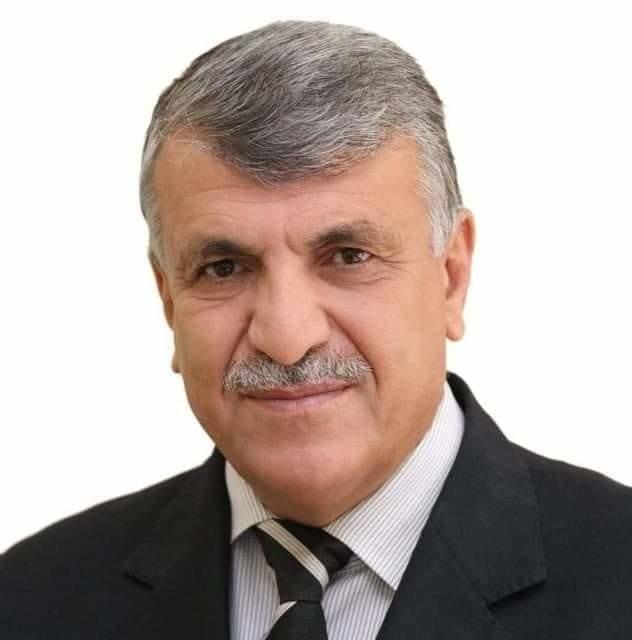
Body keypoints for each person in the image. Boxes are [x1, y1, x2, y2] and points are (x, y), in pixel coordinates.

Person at [1, 19, 631, 640]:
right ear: (169, 298)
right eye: (224, 268)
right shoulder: (29, 602)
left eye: (348, 257)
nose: (287, 337)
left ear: (451, 276)